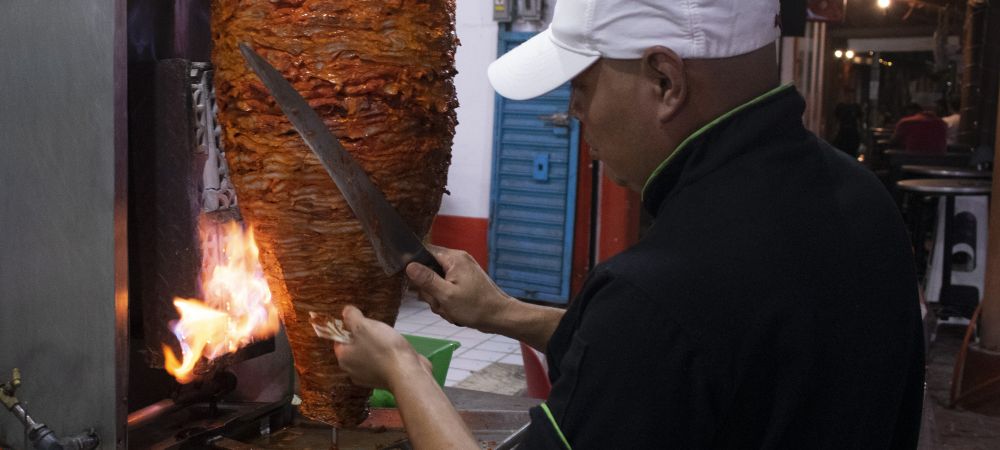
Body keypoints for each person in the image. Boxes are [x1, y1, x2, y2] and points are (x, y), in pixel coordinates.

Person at [333, 0, 925, 448]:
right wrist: (500, 313)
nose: (572, 111)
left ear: (665, 82)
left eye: (582, 86)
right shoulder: (862, 199)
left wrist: (400, 368)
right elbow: (694, 364)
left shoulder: (660, 287)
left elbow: (657, 336)